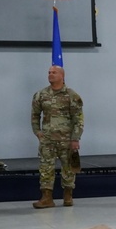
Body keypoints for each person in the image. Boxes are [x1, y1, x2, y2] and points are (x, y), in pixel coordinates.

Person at [31, 65, 83, 208]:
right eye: (49, 72)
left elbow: (78, 118)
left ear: (62, 75)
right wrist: (37, 132)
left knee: (68, 168)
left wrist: (75, 138)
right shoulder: (41, 95)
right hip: (47, 139)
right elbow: (35, 115)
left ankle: (68, 195)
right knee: (45, 168)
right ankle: (47, 197)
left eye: (54, 72)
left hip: (66, 139)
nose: (50, 74)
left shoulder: (72, 95)